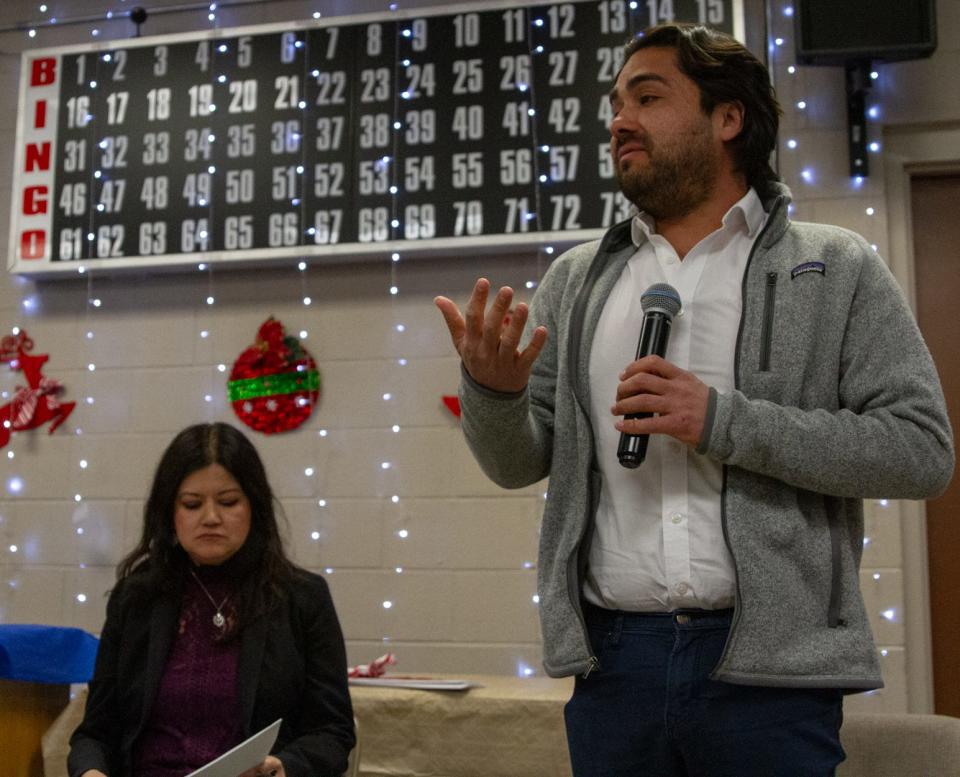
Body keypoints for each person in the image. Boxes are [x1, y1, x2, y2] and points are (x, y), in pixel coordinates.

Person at [435, 22, 954, 777]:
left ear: (728, 118)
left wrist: (723, 421)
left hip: (771, 671)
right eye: (614, 103)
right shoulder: (576, 281)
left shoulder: (833, 266)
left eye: (647, 97)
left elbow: (921, 451)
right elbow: (517, 462)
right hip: (614, 664)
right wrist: (493, 392)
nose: (619, 120)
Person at [68, 422, 355, 777]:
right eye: (191, 504)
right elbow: (94, 733)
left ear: (255, 507)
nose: (211, 518)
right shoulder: (136, 597)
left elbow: (333, 732)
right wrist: (91, 772)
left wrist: (285, 767)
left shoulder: (302, 597)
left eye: (228, 502)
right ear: (169, 514)